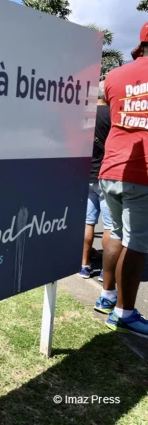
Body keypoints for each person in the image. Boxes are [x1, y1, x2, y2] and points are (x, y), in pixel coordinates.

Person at [95, 21, 148, 337]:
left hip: (111, 166)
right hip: (141, 171)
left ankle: (107, 295)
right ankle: (124, 314)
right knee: (137, 242)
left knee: (114, 232)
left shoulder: (114, 77)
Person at [79, 81, 112, 281]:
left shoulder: (85, 115)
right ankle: (106, 272)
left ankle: (84, 265)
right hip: (106, 175)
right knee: (110, 226)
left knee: (88, 222)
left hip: (87, 174)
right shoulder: (112, 115)